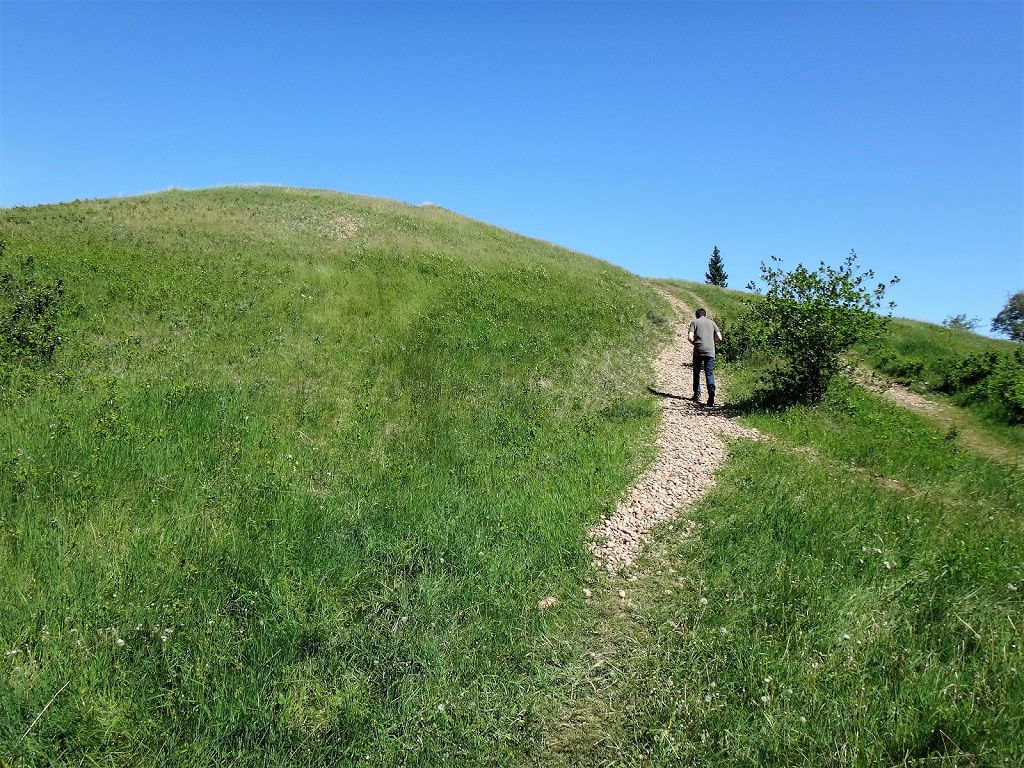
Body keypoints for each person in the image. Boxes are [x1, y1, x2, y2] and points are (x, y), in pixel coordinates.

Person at [687, 308, 723, 406]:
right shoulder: (712, 322)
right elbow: (720, 338)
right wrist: (712, 342)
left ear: (696, 315)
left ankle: (697, 394)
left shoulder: (694, 322)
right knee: (709, 373)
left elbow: (690, 337)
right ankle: (711, 391)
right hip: (710, 351)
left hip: (698, 351)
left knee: (696, 372)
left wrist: (695, 343)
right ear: (705, 315)